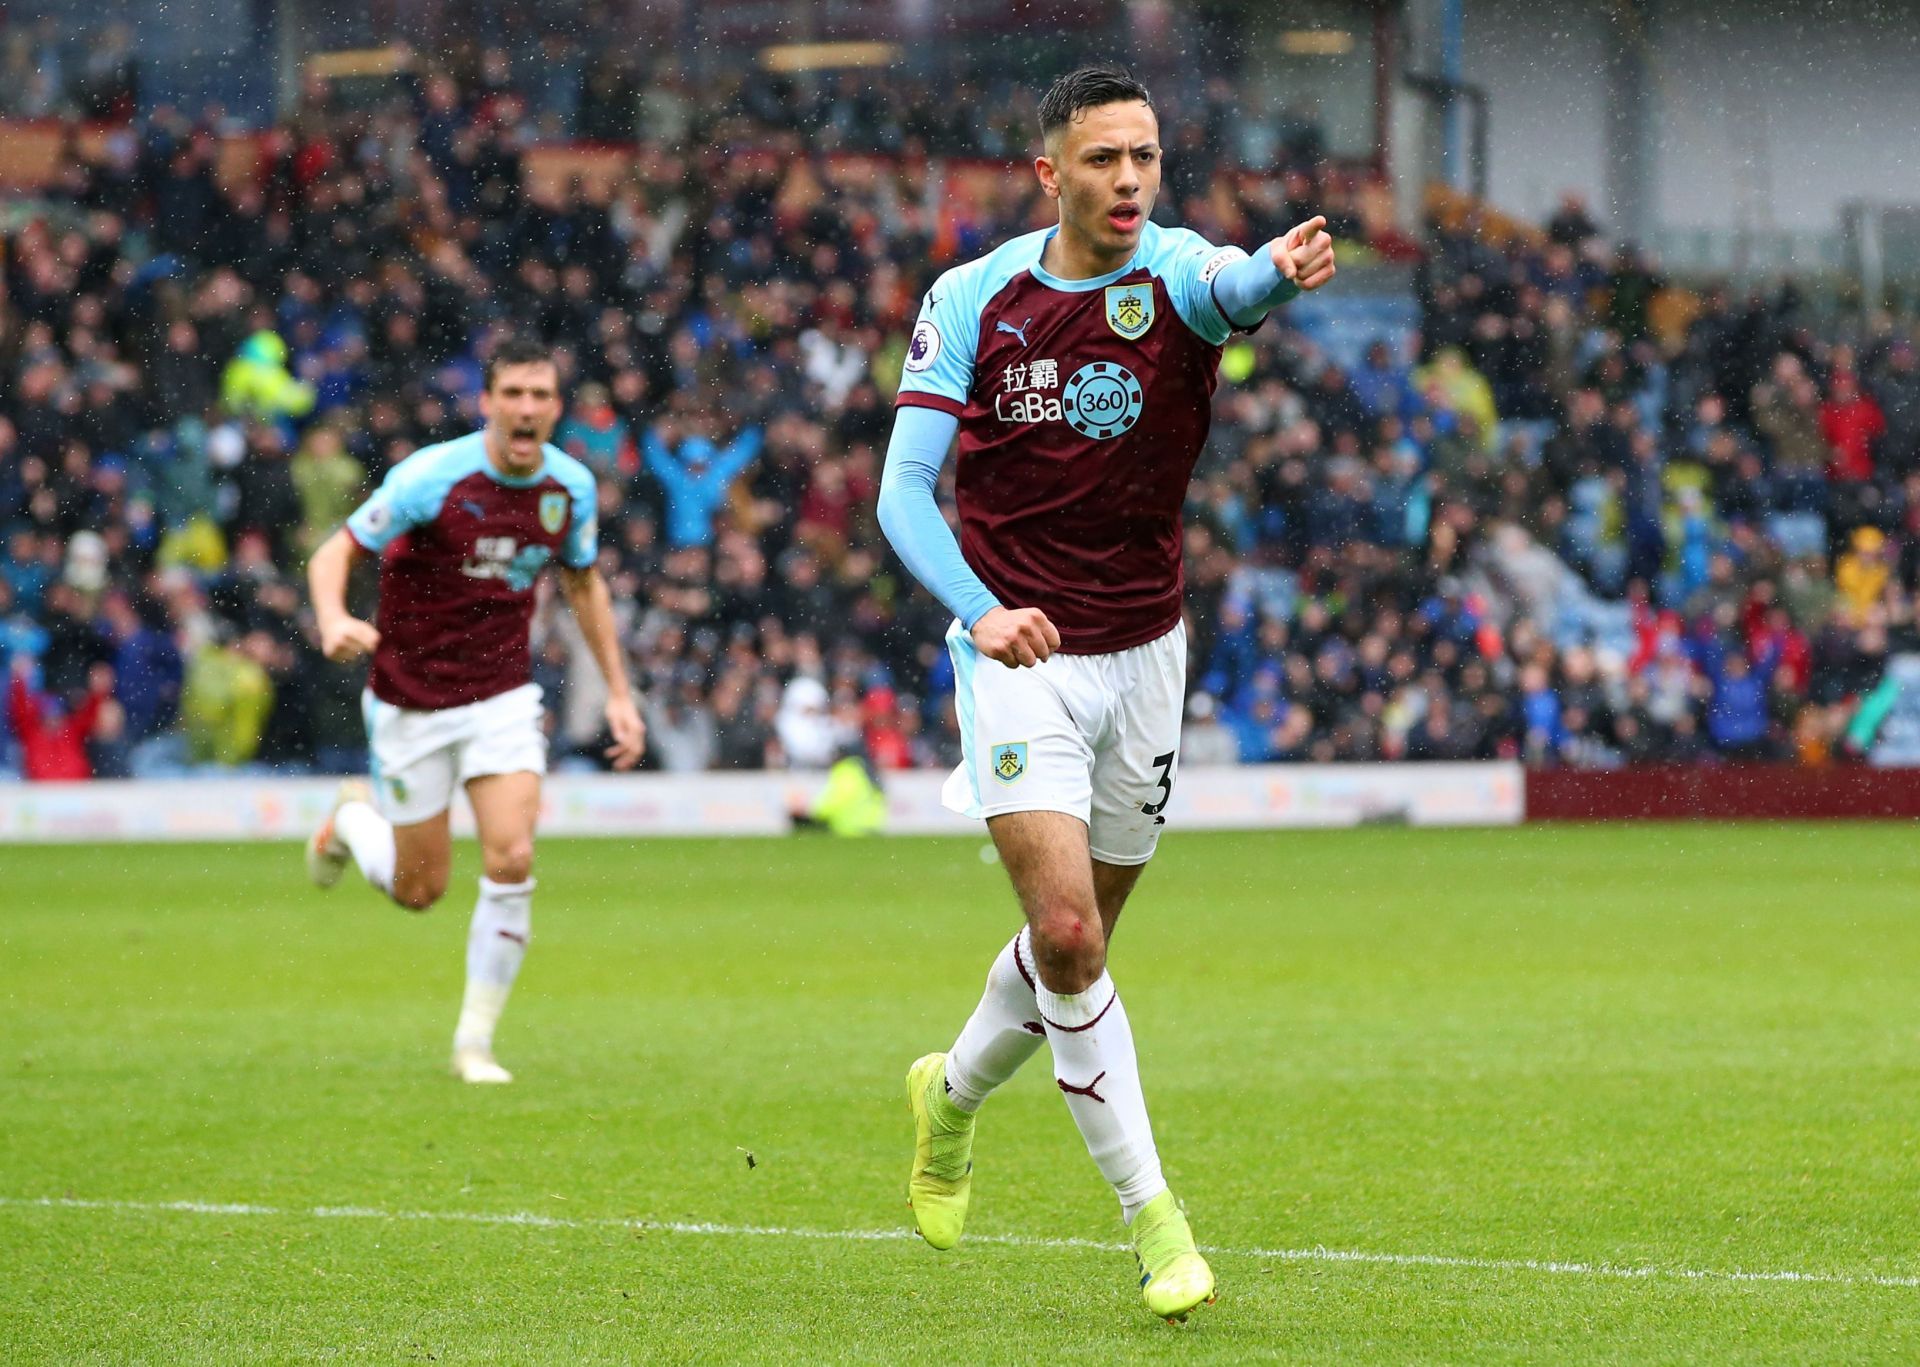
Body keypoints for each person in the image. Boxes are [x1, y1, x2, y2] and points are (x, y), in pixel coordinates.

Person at [876, 65, 1335, 1322]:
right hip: (1018, 654)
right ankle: (1158, 1223)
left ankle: (952, 1094)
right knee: (1069, 938)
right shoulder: (974, 297)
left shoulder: (1179, 269)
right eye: (1102, 160)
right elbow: (901, 493)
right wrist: (979, 607)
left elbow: (1226, 285)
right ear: (1049, 173)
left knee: (1075, 946)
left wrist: (1273, 274)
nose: (1128, 179)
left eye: (1143, 157)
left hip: (1146, 656)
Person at [302, 337, 646, 1084]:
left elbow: (584, 585)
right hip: (409, 700)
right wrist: (331, 619)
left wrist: (620, 692)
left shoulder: (570, 489)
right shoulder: (433, 478)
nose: (527, 409)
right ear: (487, 402)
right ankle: (350, 823)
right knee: (418, 890)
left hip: (501, 696)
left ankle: (474, 1044)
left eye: (541, 396)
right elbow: (333, 553)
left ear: (558, 407)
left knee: (512, 856)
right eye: (513, 394)